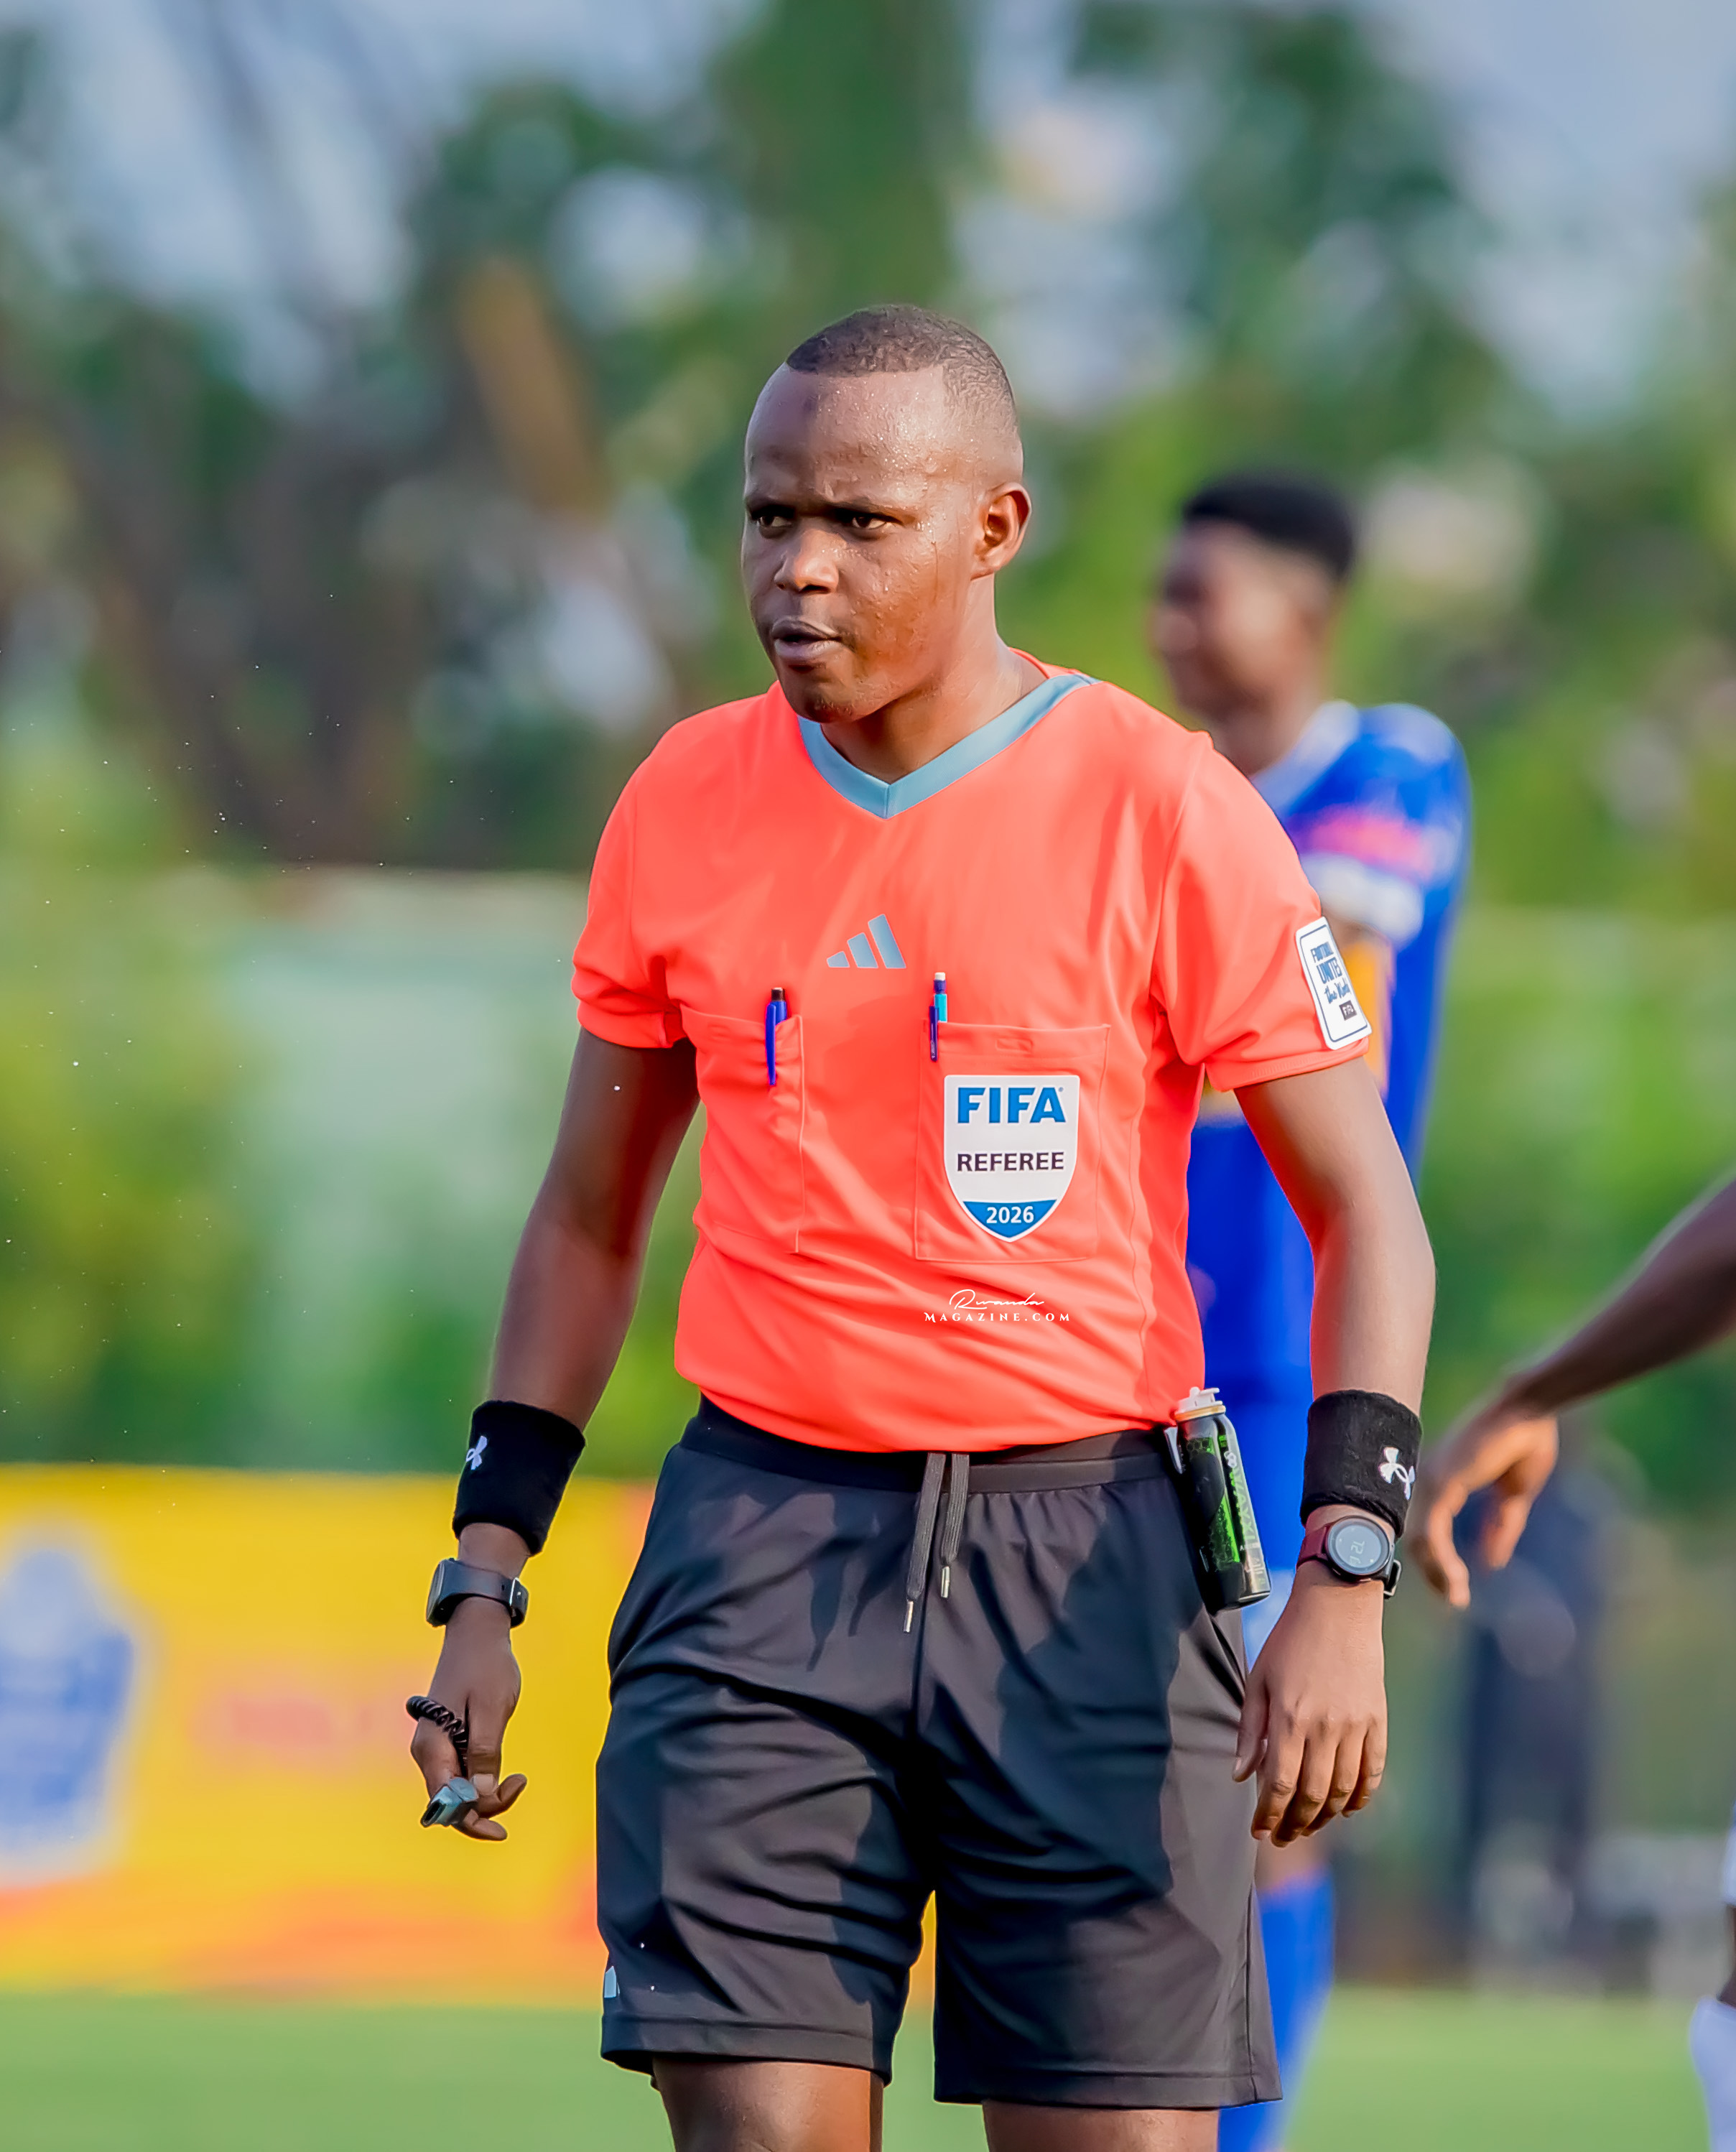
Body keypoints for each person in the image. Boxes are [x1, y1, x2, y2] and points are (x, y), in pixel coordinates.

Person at [409, 307, 1436, 2152]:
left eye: (860, 523)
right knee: (759, 2127)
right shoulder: (681, 803)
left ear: (993, 528)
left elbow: (1368, 1207)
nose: (799, 567)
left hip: (1095, 1561)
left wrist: (1344, 1576)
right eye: (768, 516)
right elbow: (585, 1222)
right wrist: (487, 1571)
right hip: (763, 1556)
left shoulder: (1166, 805)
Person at [1151, 472, 1470, 2152]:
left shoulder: (1389, 768)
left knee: (1268, 1779)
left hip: (1297, 1357)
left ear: (1308, 610)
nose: (1169, 627)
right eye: (1162, 595)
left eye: (1201, 592)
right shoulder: (1153, 787)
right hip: (1130, 1350)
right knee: (1128, 1781)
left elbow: (1326, 1003)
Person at [1410, 1172, 1736, 2145]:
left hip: (1572, 1701)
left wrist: (1530, 1391)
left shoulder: (1601, 1496)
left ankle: (1576, 1947)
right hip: (1504, 1696)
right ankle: (1470, 1946)